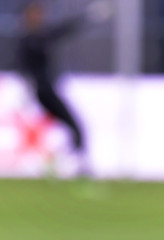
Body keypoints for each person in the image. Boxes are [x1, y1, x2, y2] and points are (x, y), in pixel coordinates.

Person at [18, 1, 110, 176]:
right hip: (44, 92)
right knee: (74, 126)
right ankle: (76, 166)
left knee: (72, 128)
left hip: (48, 91)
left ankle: (65, 163)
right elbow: (23, 68)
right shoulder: (29, 41)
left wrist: (89, 16)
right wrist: (26, 88)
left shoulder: (42, 36)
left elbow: (64, 30)